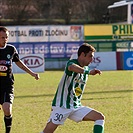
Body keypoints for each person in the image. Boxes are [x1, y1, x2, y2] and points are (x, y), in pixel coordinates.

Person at [40, 43, 105, 133]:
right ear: (82, 54)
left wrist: (87, 71)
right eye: (90, 56)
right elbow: (71, 67)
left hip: (75, 106)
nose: (92, 59)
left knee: (99, 117)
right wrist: (88, 72)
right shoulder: (72, 63)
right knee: (47, 132)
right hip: (62, 106)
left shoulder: (86, 69)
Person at [0, 26, 40, 133]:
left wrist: (32, 73)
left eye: (6, 37)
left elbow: (20, 64)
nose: (4, 40)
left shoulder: (11, 50)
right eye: (2, 37)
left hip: (7, 86)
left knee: (7, 109)